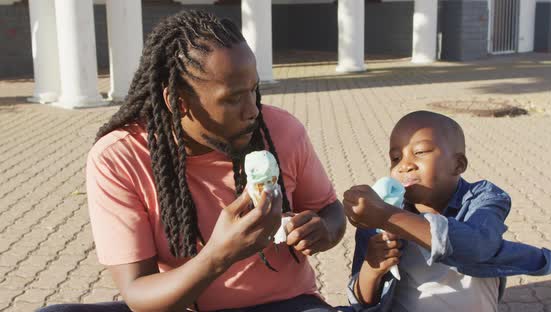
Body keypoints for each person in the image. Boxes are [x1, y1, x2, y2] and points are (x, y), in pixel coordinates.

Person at [39, 10, 345, 312]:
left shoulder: (283, 131)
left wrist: (324, 230)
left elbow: (331, 209)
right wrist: (218, 255)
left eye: (254, 90)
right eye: (233, 98)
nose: (252, 110)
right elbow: (137, 293)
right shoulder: (119, 157)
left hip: (286, 305)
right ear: (178, 103)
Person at [342, 111, 551, 312]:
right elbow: (362, 303)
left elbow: (479, 246)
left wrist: (388, 216)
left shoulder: (484, 197)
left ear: (458, 165)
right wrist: (371, 270)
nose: (405, 165)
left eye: (419, 152)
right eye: (396, 158)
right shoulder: (376, 221)